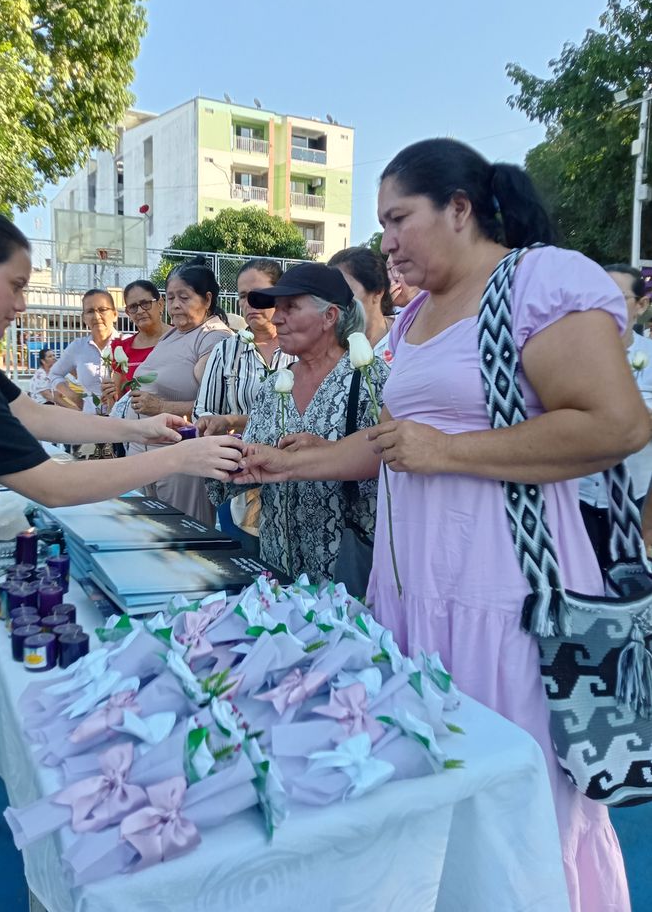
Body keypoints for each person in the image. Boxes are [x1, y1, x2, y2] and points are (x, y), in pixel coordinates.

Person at [237, 139, 649, 911]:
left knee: (516, 816)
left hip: (510, 604)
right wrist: (291, 464)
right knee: (438, 803)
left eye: (399, 218)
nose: (387, 241)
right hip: (414, 599)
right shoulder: (417, 316)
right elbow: (396, 443)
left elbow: (617, 425)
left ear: (459, 209)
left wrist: (450, 451)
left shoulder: (536, 281)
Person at [0, 206, 243, 912]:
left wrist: (141, 430)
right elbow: (50, 483)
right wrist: (179, 456)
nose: (23, 305)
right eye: (16, 285)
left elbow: (29, 416)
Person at [217, 262, 387, 583]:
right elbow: (253, 462)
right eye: (276, 308)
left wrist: (332, 451)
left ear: (329, 316)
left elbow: (393, 461)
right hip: (278, 561)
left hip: (343, 568)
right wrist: (220, 456)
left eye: (290, 307)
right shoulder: (274, 384)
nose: (276, 318)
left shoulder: (369, 379)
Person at [194, 259, 296, 549]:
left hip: (295, 476)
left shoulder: (301, 347)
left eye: (259, 294)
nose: (250, 303)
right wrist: (214, 424)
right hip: (242, 475)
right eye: (242, 296)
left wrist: (234, 420)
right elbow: (204, 410)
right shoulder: (227, 350)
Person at [122, 263, 233, 522]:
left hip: (179, 454)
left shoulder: (213, 337)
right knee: (147, 530)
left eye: (184, 297)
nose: (175, 305)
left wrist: (161, 408)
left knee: (182, 531)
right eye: (170, 298)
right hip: (144, 448)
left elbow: (217, 406)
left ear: (207, 300)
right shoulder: (172, 334)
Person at [579, 263, 652, 569]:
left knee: (629, 585)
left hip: (636, 501)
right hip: (577, 497)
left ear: (641, 305)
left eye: (616, 298)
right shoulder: (569, 359)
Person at [48, 288, 119, 412]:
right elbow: (54, 374)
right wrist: (75, 398)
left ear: (114, 314)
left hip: (125, 419)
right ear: (84, 318)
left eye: (102, 310)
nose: (96, 316)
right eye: (90, 311)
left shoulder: (129, 343)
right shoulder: (78, 347)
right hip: (91, 418)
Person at [328, 247, 395, 357]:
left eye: (345, 290)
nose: (334, 301)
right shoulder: (329, 346)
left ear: (378, 292)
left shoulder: (406, 335)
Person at [108, 279, 167, 395]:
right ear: (128, 313)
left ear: (160, 304)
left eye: (146, 303)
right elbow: (117, 396)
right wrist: (109, 394)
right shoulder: (121, 350)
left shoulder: (181, 338)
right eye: (133, 307)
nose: (140, 311)